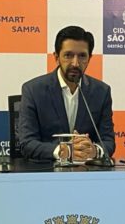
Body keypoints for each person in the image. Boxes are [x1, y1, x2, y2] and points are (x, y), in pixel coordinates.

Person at [19, 25, 115, 161]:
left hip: (87, 173)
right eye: (68, 55)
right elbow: (27, 144)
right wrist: (63, 151)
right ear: (56, 57)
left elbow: (108, 141)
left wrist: (94, 150)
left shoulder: (101, 91)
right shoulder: (33, 90)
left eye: (82, 56)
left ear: (89, 58)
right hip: (47, 173)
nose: (75, 63)